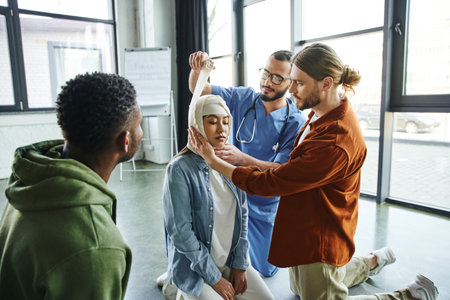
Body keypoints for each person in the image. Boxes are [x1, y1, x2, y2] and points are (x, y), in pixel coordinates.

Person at [188, 43, 439, 300]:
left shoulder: (335, 141)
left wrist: (215, 160)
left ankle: (411, 295)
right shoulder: (320, 112)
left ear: (326, 84)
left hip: (320, 237)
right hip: (302, 224)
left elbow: (276, 181)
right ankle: (372, 261)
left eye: (298, 83)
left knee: (320, 290)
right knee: (303, 289)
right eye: (290, 80)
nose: (291, 89)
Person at [0, 72, 143, 299]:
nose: (141, 133)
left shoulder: (29, 181)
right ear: (125, 141)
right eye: (139, 125)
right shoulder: (96, 248)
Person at [188, 50, 306, 277]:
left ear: (290, 83)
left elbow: (284, 171)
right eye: (266, 73)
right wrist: (197, 70)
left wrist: (242, 159)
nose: (267, 82)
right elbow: (199, 90)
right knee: (213, 241)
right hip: (232, 189)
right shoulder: (244, 98)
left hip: (264, 200)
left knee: (267, 268)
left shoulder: (295, 121)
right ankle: (191, 267)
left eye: (277, 78)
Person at [163, 94, 274, 300]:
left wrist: (240, 265)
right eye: (212, 122)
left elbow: (243, 217)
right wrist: (214, 279)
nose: (222, 129)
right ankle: (178, 287)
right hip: (195, 269)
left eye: (226, 122)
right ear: (196, 125)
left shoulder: (231, 164)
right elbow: (180, 232)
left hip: (229, 261)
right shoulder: (179, 169)